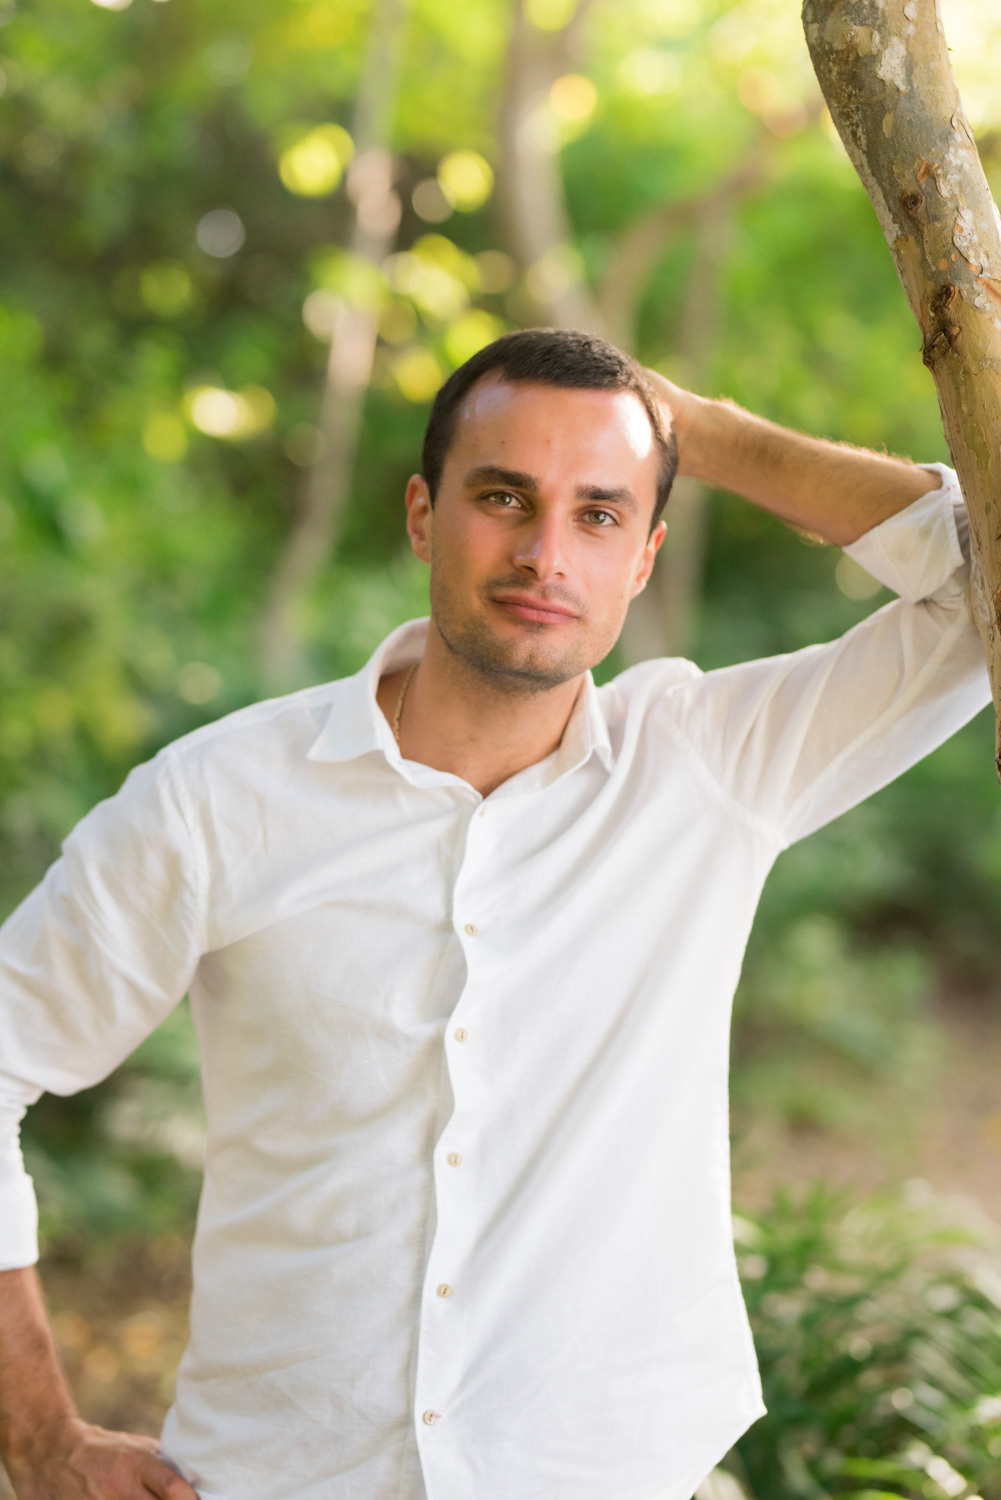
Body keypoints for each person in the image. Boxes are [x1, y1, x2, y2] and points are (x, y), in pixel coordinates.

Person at [0, 328, 989, 1500]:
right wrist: (37, 1435)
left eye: (600, 514)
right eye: (503, 497)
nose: (544, 553)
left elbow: (980, 573)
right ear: (423, 516)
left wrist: (704, 432)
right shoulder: (219, 801)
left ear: (644, 556)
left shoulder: (711, 769)